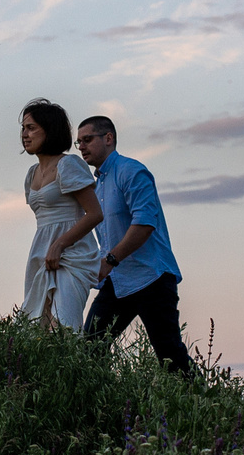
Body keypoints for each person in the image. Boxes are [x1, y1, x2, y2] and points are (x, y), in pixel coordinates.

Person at [74, 114, 193, 373]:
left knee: (170, 355)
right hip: (117, 283)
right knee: (89, 351)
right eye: (78, 142)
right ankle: (107, 409)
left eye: (87, 140)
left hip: (151, 278)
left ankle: (209, 410)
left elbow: (144, 224)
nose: (81, 147)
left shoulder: (132, 171)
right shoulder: (96, 186)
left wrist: (110, 260)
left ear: (109, 138)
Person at [17, 98, 104, 332]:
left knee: (63, 328)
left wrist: (59, 245)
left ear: (50, 130)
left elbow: (95, 214)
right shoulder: (31, 174)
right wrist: (50, 248)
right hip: (41, 253)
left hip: (72, 254)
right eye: (23, 128)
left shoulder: (69, 165)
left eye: (31, 128)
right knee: (36, 327)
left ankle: (76, 369)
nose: (25, 134)